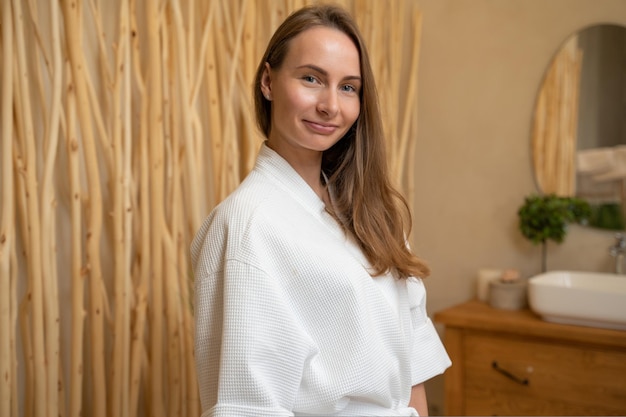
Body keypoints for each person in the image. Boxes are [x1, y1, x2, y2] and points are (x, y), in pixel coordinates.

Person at [191, 4, 451, 416]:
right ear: (268, 82)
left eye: (348, 87)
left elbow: (412, 366)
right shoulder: (248, 225)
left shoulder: (373, 214)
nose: (331, 105)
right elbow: (247, 406)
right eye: (311, 79)